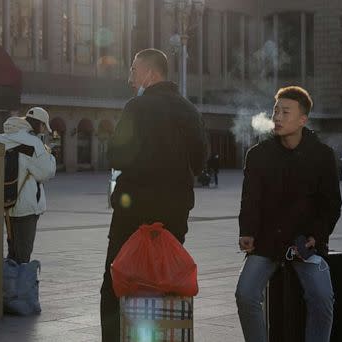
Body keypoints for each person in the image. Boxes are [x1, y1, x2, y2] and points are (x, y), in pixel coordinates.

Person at [100, 48, 208, 341]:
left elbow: (116, 156)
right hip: (174, 216)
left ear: (150, 73)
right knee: (166, 283)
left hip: (132, 214)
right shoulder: (189, 110)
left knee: (117, 282)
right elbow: (199, 163)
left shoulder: (137, 108)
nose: (130, 78)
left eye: (134, 70)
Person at [236, 86, 341, 342]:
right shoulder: (259, 155)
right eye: (275, 110)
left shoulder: (322, 155)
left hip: (305, 242)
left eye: (285, 112)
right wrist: (247, 231)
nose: (278, 117)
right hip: (268, 240)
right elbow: (250, 198)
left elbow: (331, 204)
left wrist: (317, 235)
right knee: (245, 294)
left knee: (322, 297)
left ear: (303, 119)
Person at [0, 107, 57, 264]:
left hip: (7, 203)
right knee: (23, 255)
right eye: (43, 127)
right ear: (39, 124)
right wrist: (51, 156)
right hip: (26, 206)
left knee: (12, 251)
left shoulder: (6, 138)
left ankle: (8, 284)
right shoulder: (32, 143)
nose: (43, 131)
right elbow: (47, 172)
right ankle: (18, 286)